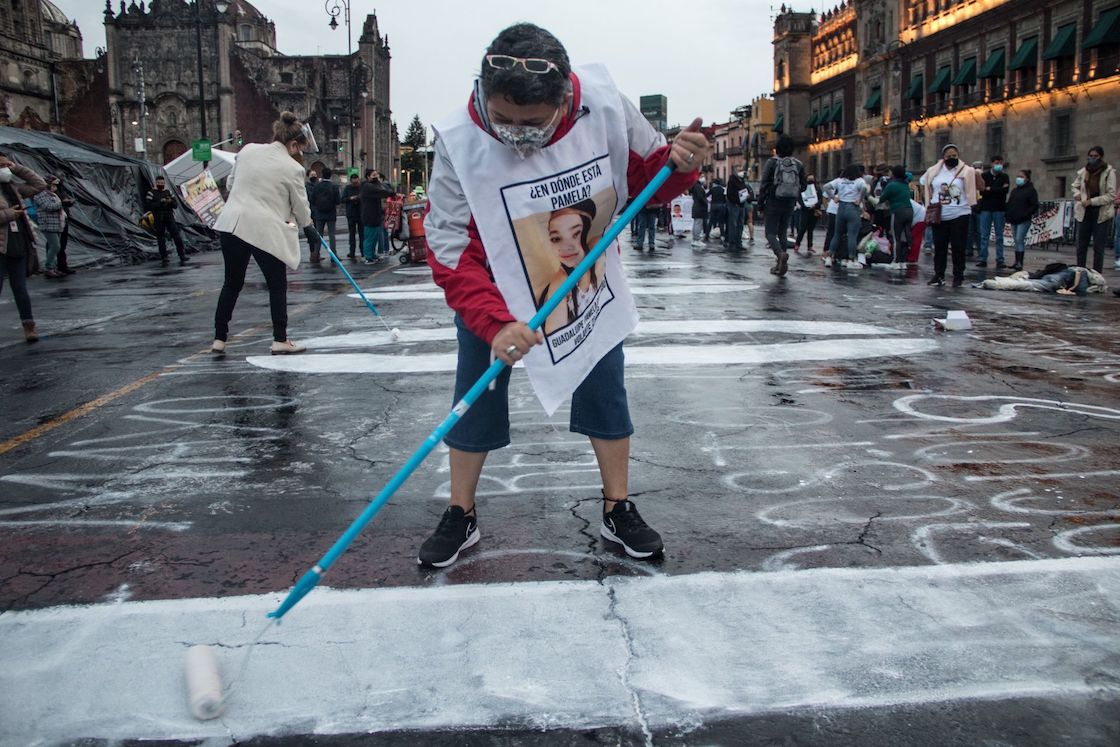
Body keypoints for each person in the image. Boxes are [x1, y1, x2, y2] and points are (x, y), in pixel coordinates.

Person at [421, 22, 707, 567]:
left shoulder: (603, 101)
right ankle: (461, 513)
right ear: (483, 93)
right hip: (492, 281)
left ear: (562, 100)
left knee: (605, 385)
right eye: (502, 119)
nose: (515, 135)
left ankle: (617, 506)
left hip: (581, 274)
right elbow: (449, 244)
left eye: (532, 124)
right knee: (475, 390)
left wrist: (682, 164)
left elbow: (649, 178)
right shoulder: (458, 138)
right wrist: (493, 321)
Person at [210, 111, 315, 356]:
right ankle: (280, 339)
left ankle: (219, 338)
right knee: (277, 285)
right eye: (300, 149)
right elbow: (301, 206)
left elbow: (230, 184)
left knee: (232, 283)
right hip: (263, 231)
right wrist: (308, 225)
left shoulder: (247, 151)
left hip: (232, 224)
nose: (300, 154)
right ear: (292, 144)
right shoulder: (293, 168)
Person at [537, 201, 604, 333]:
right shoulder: (560, 284)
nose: (567, 246)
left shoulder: (598, 249)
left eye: (576, 233)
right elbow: (556, 338)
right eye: (556, 238)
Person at [0, 153, 46, 342]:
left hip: (18, 244)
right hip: (2, 247)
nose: (3, 169)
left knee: (20, 288)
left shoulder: (13, 188)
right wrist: (10, 213)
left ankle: (29, 326)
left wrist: (16, 167)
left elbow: (39, 185)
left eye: (4, 165)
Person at [922, 144, 978, 287]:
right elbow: (926, 185)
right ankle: (938, 275)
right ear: (943, 157)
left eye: (954, 156)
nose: (951, 158)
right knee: (940, 247)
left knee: (958, 247)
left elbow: (974, 187)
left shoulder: (967, 171)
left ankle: (958, 275)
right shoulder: (934, 171)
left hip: (960, 213)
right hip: (939, 215)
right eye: (948, 156)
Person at [759, 133, 806, 276]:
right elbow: (803, 186)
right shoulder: (798, 164)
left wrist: (761, 204)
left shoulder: (771, 163)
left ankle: (780, 255)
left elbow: (764, 185)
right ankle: (780, 265)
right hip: (790, 203)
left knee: (770, 233)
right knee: (783, 233)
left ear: (777, 148)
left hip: (773, 201)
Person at [1072, 145, 1117, 273]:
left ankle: (1097, 274)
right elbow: (1074, 186)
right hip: (1084, 211)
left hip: (1100, 212)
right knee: (1081, 244)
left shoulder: (1108, 172)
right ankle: (1080, 271)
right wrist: (1077, 195)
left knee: (1098, 246)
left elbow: (1111, 195)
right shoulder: (1083, 171)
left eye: (1095, 156)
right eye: (1090, 156)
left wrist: (1092, 201)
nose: (1092, 158)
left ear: (1101, 157)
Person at [826, 164, 869, 271]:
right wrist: (859, 198)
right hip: (853, 208)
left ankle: (829, 257)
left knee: (837, 234)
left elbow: (826, 187)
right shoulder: (859, 181)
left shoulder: (839, 180)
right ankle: (851, 260)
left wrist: (833, 197)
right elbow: (864, 188)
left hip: (841, 208)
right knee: (852, 236)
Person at [874, 165, 914, 268]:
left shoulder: (892, 185)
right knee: (905, 237)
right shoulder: (906, 182)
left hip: (898, 211)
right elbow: (910, 175)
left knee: (896, 237)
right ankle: (903, 262)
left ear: (894, 174)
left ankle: (896, 261)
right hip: (909, 210)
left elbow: (882, 198)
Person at [144, 175, 188, 265]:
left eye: (162, 183)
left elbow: (175, 205)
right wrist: (161, 201)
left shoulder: (168, 192)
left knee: (176, 235)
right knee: (161, 238)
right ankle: (164, 257)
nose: (161, 184)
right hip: (158, 217)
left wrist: (170, 201)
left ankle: (182, 254)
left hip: (169, 216)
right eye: (159, 183)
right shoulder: (151, 193)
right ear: (156, 183)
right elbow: (149, 206)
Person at [976, 155, 1010, 268]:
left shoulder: (1005, 176)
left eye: (1000, 163)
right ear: (992, 164)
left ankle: (1000, 259)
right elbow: (982, 191)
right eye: (996, 163)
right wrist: (995, 189)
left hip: (999, 209)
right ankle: (983, 258)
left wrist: (991, 189)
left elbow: (1005, 191)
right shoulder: (984, 176)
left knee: (999, 236)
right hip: (986, 208)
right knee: (984, 235)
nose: (999, 165)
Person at [33, 175, 67, 279]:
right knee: (55, 245)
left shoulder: (53, 195)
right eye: (53, 184)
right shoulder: (40, 195)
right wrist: (62, 203)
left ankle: (53, 267)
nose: (55, 187)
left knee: (57, 246)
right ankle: (49, 268)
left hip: (57, 223)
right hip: (48, 224)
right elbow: (48, 207)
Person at [1004, 169, 1039, 271]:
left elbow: (1034, 205)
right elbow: (1010, 203)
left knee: (1019, 239)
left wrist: (1025, 214)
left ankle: (1020, 262)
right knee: (1016, 239)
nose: (1019, 178)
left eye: (1021, 177)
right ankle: (1017, 261)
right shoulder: (1015, 191)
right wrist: (1008, 214)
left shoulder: (1031, 191)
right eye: (1018, 176)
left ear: (1027, 179)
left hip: (1023, 219)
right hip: (1014, 219)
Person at [359, 169, 394, 263]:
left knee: (374, 237)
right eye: (373, 175)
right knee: (369, 237)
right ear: (368, 177)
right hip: (369, 215)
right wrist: (391, 193)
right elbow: (381, 191)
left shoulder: (373, 186)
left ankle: (372, 254)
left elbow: (382, 189)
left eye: (376, 175)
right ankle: (368, 257)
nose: (376, 177)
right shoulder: (367, 186)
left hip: (375, 215)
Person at [308, 166, 340, 263]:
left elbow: (312, 200)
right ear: (330, 175)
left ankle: (316, 255)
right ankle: (333, 256)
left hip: (319, 213)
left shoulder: (317, 186)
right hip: (331, 213)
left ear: (322, 175)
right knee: (331, 235)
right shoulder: (334, 186)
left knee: (319, 235)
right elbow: (338, 201)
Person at [794, 174, 822, 254]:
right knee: (802, 229)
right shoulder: (802, 189)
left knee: (811, 230)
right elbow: (799, 199)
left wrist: (815, 205)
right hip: (805, 211)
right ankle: (797, 244)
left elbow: (820, 199)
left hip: (814, 211)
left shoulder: (817, 189)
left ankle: (809, 246)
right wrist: (805, 206)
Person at [341, 171, 362, 259]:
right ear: (351, 181)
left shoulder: (361, 188)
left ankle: (363, 251)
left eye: (356, 182)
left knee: (362, 234)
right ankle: (352, 252)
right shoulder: (347, 188)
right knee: (352, 234)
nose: (355, 183)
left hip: (360, 213)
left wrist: (359, 198)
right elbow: (342, 199)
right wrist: (350, 198)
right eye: (353, 182)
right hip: (351, 214)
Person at [726, 169, 746, 250]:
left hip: (741, 204)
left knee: (740, 225)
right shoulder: (732, 181)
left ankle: (739, 242)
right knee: (733, 224)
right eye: (740, 170)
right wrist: (735, 201)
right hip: (735, 205)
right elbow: (729, 194)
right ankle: (732, 243)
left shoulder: (742, 181)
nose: (742, 172)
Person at [689, 176, 708, 247]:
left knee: (696, 223)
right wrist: (706, 202)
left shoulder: (696, 186)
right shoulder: (698, 187)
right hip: (699, 207)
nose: (704, 178)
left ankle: (695, 239)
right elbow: (701, 197)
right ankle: (696, 239)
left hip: (697, 207)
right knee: (698, 223)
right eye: (702, 176)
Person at [706, 177, 727, 242]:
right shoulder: (723, 190)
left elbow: (706, 195)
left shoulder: (713, 189)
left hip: (714, 205)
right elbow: (725, 198)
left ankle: (707, 235)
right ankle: (722, 235)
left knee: (711, 221)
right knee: (721, 222)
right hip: (721, 205)